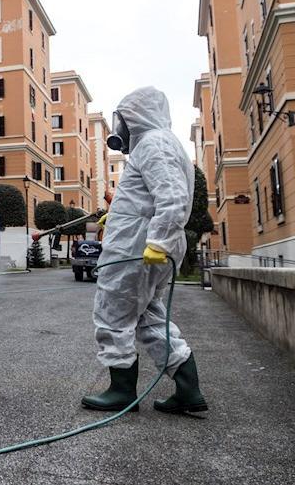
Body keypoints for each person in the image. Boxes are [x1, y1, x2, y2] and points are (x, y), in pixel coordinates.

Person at [82, 86, 207, 415]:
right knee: (149, 318)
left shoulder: (154, 143)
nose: (120, 128)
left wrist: (158, 241)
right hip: (144, 244)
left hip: (138, 249)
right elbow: (153, 196)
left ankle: (121, 391)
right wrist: (120, 212)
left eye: (123, 119)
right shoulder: (158, 144)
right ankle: (187, 388)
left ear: (136, 116)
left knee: (113, 313)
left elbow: (172, 197)